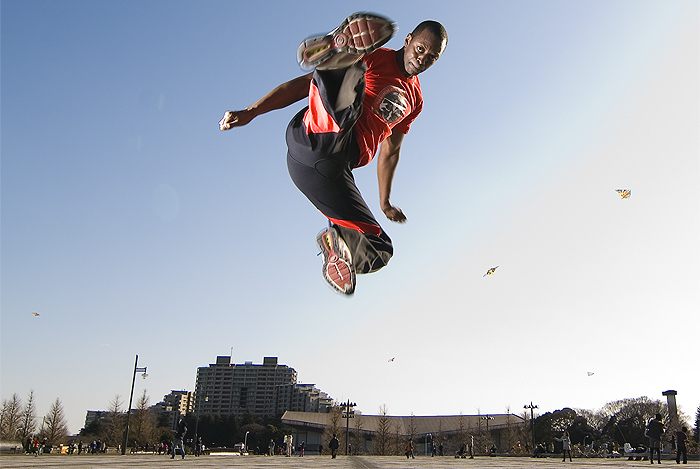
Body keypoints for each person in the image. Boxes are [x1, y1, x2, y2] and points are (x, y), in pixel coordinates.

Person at [219, 13, 448, 295]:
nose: (423, 58)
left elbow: (391, 150)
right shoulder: (377, 57)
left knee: (380, 249)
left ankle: (336, 245)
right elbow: (304, 86)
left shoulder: (415, 101)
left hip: (330, 173)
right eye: (420, 49)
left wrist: (385, 201)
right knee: (348, 103)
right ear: (409, 40)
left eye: (432, 57)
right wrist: (253, 111)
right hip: (315, 138)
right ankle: (336, 58)